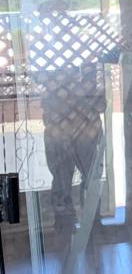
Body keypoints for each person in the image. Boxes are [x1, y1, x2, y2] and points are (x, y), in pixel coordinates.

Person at [41, 47, 116, 220]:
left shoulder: (78, 84)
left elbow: (101, 105)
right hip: (66, 137)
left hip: (81, 136)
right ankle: (68, 223)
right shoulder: (58, 88)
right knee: (65, 181)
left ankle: (86, 221)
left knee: (87, 179)